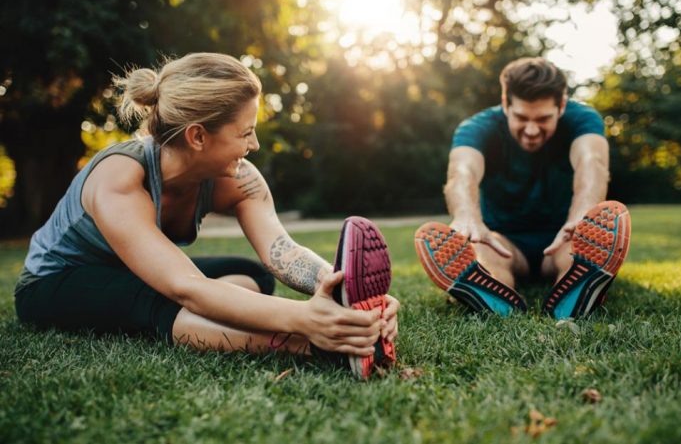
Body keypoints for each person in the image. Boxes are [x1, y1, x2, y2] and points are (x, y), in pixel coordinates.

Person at [14, 52, 399, 379]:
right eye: (245, 133)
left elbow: (281, 250)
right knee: (162, 299)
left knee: (255, 276)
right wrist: (307, 321)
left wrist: (345, 294)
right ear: (198, 136)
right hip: (56, 282)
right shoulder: (120, 178)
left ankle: (209, 319)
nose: (255, 144)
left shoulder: (237, 177)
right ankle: (315, 348)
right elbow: (186, 287)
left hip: (134, 272)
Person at [415, 57, 631, 319]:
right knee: (484, 254)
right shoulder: (477, 128)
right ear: (506, 104)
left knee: (576, 253)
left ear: (561, 106)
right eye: (521, 117)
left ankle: (578, 288)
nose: (531, 130)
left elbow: (591, 161)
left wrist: (582, 217)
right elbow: (463, 172)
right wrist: (467, 218)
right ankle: (492, 292)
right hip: (504, 242)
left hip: (562, 237)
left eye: (542, 119)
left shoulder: (582, 119)